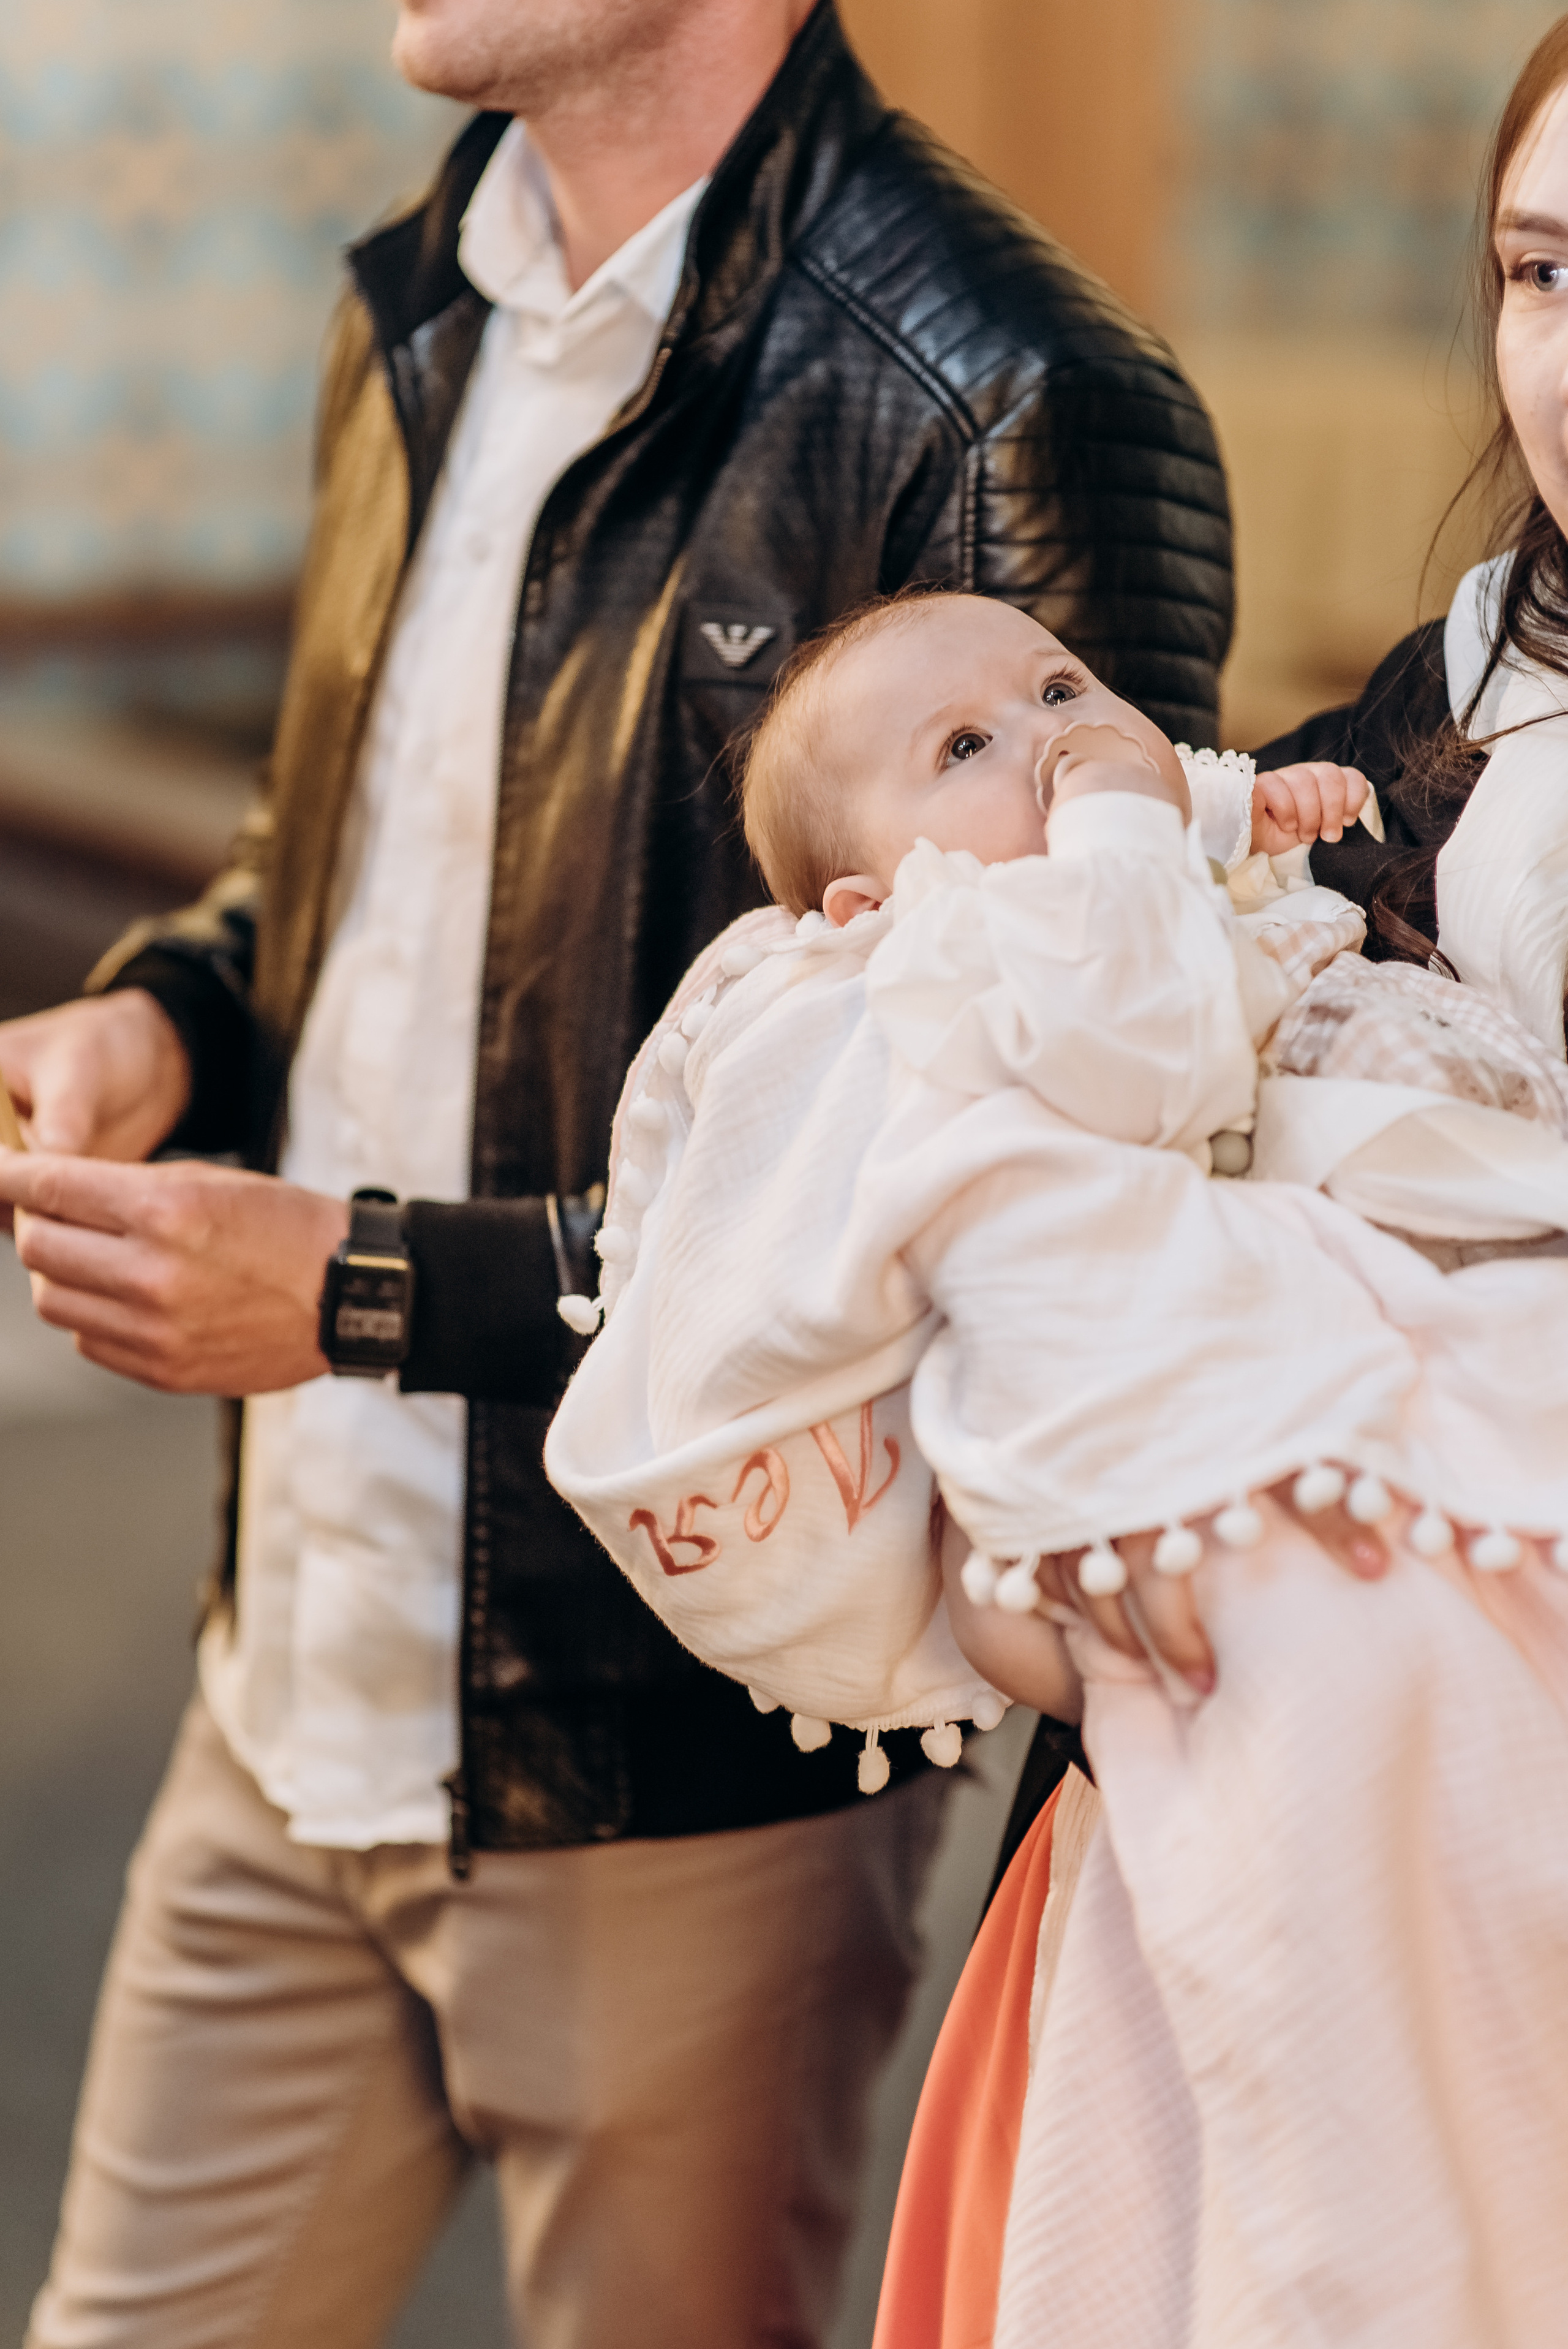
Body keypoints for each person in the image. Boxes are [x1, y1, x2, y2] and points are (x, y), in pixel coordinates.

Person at [0, 4, 1235, 2345]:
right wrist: (166, 1007)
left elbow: (1042, 1178)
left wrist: (365, 1291)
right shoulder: (420, 303)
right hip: (294, 1674)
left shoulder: (1012, 392)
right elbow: (338, 858)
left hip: (670, 1752)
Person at [543, 586, 1568, 2346]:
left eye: (1063, 687)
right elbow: (1124, 1034)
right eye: (967, 748)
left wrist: (1237, 808)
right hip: (1236, 1566)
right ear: (870, 902)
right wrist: (1118, 819)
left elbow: (1198, 838)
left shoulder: (1128, 868)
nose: (1051, 740)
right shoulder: (979, 959)